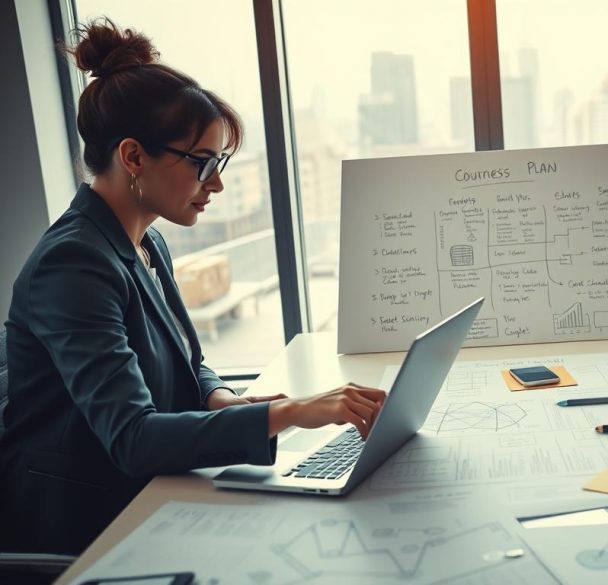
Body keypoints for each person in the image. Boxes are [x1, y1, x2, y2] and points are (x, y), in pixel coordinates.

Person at [0, 20, 386, 554]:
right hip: (90, 521)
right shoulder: (72, 265)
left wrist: (224, 399)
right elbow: (133, 438)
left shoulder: (144, 242)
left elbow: (191, 361)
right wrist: (293, 412)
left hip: (155, 491)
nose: (218, 183)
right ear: (133, 157)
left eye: (220, 162)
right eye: (203, 163)